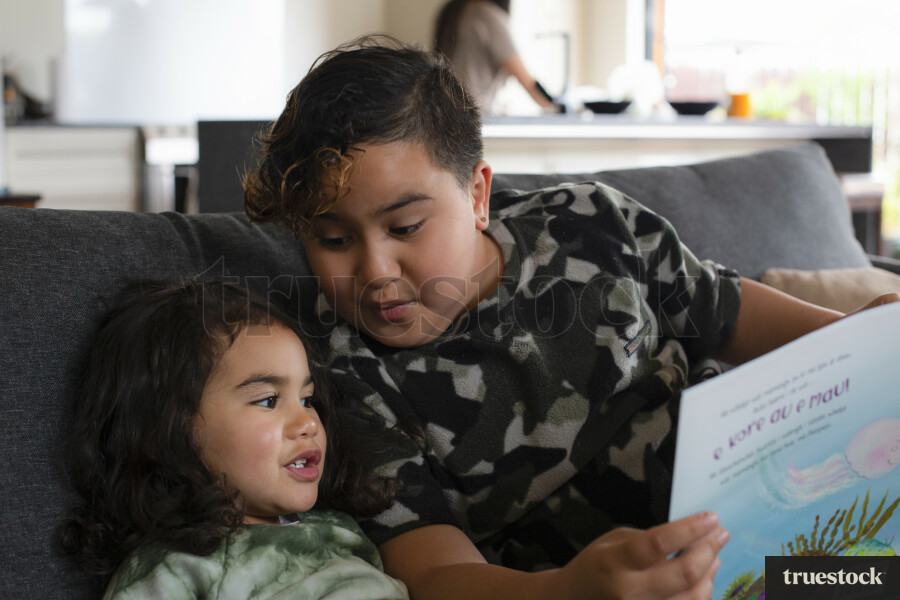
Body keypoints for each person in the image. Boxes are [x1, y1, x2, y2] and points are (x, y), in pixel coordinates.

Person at [243, 36, 899, 600]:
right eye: (332, 239)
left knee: (872, 576)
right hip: (590, 581)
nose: (375, 270)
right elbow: (435, 571)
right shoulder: (339, 368)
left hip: (765, 516)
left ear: (477, 193)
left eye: (406, 226)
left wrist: (863, 337)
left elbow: (724, 310)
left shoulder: (589, 220)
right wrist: (571, 589)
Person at [60, 280, 409, 600]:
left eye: (307, 399)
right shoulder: (178, 568)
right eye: (268, 400)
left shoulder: (336, 526)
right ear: (163, 433)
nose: (307, 423)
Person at [434, 0, 558, 113]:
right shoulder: (486, 15)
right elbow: (528, 82)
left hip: (445, 114)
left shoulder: (457, 10)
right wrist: (557, 108)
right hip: (468, 116)